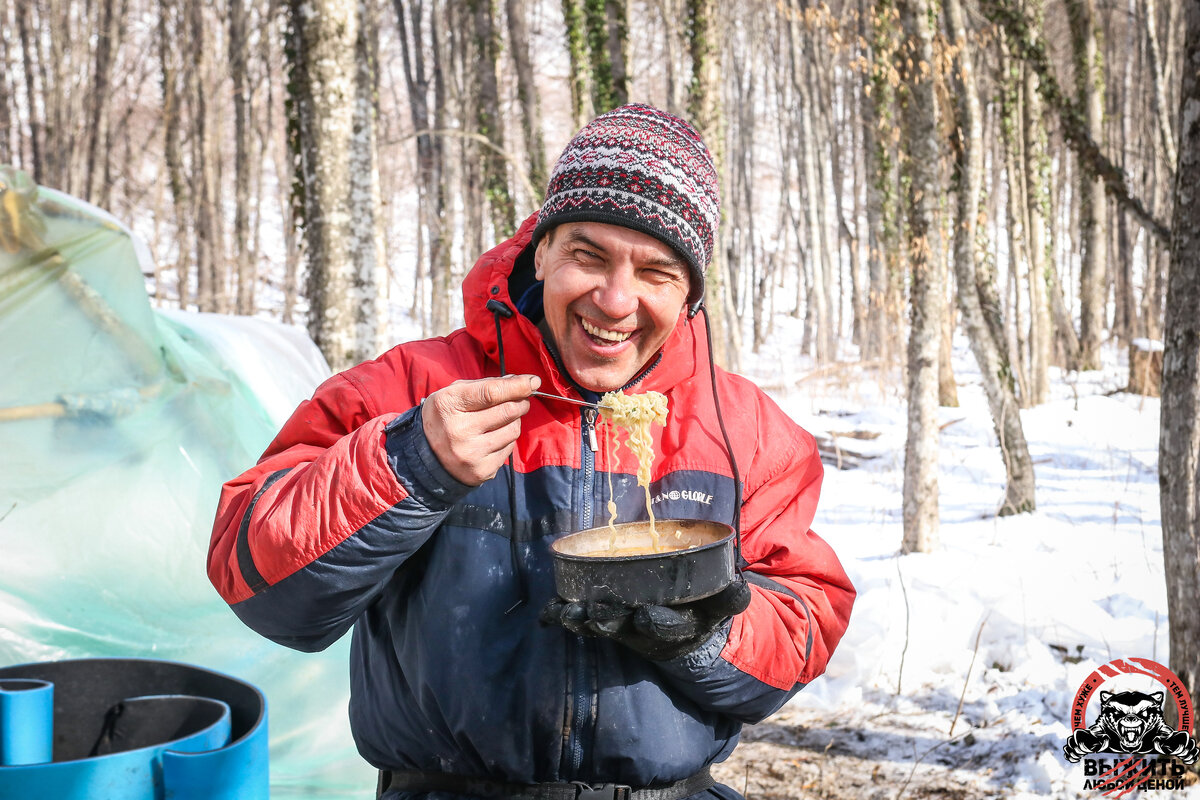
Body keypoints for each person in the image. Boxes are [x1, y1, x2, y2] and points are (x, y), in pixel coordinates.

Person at [207, 103, 855, 800]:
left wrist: (704, 637)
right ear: (541, 250)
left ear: (690, 294)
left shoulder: (746, 430)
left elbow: (805, 619)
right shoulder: (411, 389)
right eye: (588, 255)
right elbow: (253, 575)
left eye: (656, 272)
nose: (614, 300)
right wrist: (408, 465)